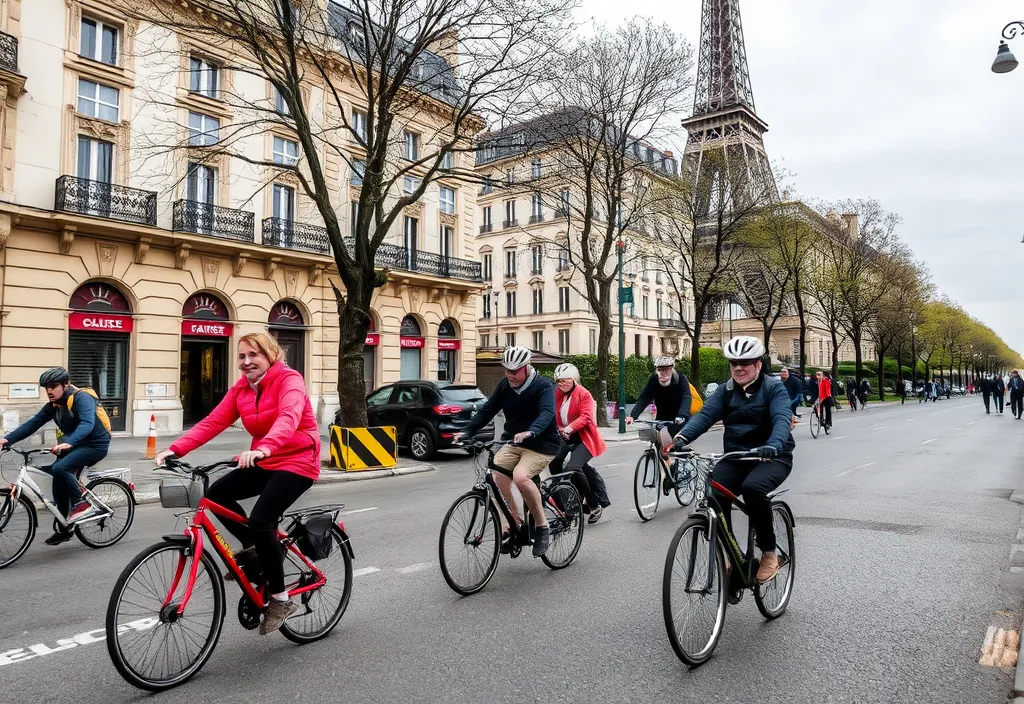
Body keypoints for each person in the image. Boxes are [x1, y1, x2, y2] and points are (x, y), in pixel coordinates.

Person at [154, 333, 321, 635]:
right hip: (264, 458)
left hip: (297, 460)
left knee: (261, 519)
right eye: (241, 357)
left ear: (271, 355)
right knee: (216, 494)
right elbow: (212, 422)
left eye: (253, 355)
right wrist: (175, 449)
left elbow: (289, 415)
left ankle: (280, 599)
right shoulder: (242, 389)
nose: (246, 362)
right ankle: (257, 550)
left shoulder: (289, 380)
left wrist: (265, 446)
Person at [672, 335, 795, 583]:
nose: (738, 368)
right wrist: (681, 438)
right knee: (714, 492)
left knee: (752, 488)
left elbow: (782, 418)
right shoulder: (725, 390)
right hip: (736, 455)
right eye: (734, 363)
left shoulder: (773, 388)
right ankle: (733, 557)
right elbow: (705, 415)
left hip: (772, 456)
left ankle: (770, 553)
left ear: (758, 364)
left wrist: (773, 444)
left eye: (745, 363)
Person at [458, 346, 560, 557]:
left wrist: (532, 431)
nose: (510, 375)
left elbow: (547, 412)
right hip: (515, 442)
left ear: (526, 367)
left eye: (514, 371)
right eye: (506, 370)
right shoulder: (505, 386)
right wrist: (467, 431)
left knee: (521, 477)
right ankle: (513, 523)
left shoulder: (543, 386)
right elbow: (488, 409)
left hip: (542, 444)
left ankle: (542, 526)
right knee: (496, 477)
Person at [0, 367, 111, 545]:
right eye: (46, 388)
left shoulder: (82, 398)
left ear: (65, 384)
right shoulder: (53, 405)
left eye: (53, 386)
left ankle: (81, 504)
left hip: (94, 445)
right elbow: (33, 424)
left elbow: (87, 423)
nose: (49, 391)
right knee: (56, 477)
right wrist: (6, 440)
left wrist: (70, 441)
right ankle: (65, 527)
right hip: (73, 445)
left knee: (60, 468)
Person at [549, 363, 610, 524]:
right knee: (554, 463)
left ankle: (594, 504)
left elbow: (586, 417)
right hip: (565, 437)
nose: (562, 384)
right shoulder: (557, 394)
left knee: (573, 467)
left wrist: (569, 428)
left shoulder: (584, 394)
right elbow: (551, 412)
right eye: (559, 381)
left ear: (574, 379)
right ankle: (562, 504)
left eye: (565, 381)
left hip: (584, 439)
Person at [625, 356, 693, 490]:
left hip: (679, 417)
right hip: (662, 417)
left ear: (672, 369)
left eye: (667, 370)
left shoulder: (680, 379)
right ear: (656, 370)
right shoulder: (654, 380)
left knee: (674, 442)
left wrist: (681, 415)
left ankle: (678, 465)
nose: (663, 373)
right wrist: (633, 415)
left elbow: (686, 397)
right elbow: (645, 397)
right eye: (660, 370)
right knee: (659, 439)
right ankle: (667, 467)